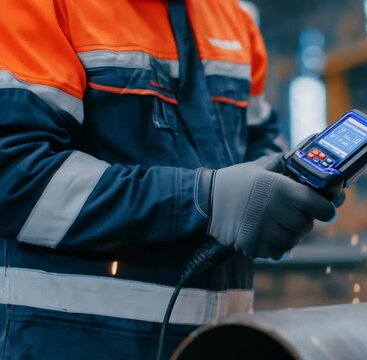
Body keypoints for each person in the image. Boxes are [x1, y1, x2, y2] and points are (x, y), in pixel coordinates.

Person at [0, 1, 341, 358]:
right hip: (71, 346)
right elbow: (15, 177)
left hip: (214, 345)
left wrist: (281, 183)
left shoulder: (233, 16)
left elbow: (258, 139)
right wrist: (204, 202)